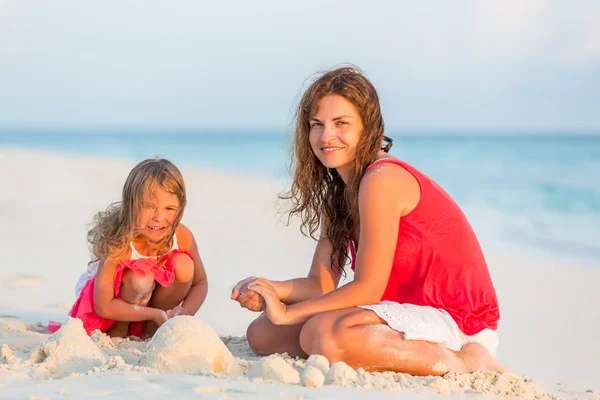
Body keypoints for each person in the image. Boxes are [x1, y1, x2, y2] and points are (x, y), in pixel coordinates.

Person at [231, 66, 505, 376]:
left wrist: (288, 312)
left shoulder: (382, 179)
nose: (325, 136)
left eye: (341, 123)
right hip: (392, 315)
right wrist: (269, 290)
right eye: (316, 124)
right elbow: (320, 285)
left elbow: (368, 288)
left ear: (368, 127)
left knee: (322, 333)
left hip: (456, 321)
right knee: (263, 333)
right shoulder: (340, 192)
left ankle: (467, 362)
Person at [50, 158, 208, 338]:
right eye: (149, 207)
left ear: (180, 209)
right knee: (141, 277)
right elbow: (103, 305)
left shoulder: (181, 235)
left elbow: (200, 282)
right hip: (105, 307)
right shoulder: (119, 242)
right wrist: (154, 313)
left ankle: (152, 329)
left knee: (184, 264)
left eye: (169, 209)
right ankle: (120, 330)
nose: (158, 217)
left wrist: (184, 312)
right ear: (130, 204)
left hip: (150, 304)